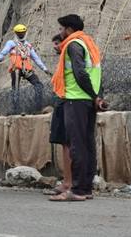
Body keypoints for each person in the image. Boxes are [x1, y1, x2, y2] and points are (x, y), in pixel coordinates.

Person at [50, 14, 106, 202]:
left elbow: (80, 73)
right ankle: (85, 188)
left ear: (69, 30)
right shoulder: (89, 44)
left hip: (75, 99)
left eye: (61, 29)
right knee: (87, 145)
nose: (60, 32)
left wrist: (93, 95)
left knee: (77, 146)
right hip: (87, 101)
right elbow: (96, 72)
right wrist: (96, 97)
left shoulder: (73, 45)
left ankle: (77, 191)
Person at [0, 24, 51, 113]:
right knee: (16, 89)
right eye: (19, 33)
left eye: (23, 33)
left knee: (39, 85)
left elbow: (36, 58)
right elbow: (3, 53)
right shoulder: (11, 43)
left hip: (27, 69)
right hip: (16, 69)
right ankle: (16, 110)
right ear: (16, 33)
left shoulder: (28, 45)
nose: (21, 35)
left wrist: (45, 69)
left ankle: (37, 108)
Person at [46, 34, 73, 196]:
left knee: (68, 143)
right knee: (66, 143)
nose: (55, 46)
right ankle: (69, 182)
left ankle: (69, 183)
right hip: (65, 99)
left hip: (69, 100)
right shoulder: (66, 58)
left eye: (58, 43)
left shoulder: (72, 55)